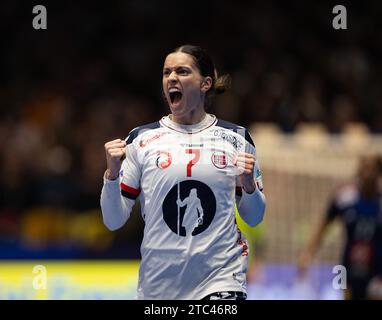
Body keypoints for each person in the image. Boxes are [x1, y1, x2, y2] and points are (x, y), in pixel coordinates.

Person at [100, 44, 266, 300]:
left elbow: (254, 217)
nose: (172, 78)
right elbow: (113, 221)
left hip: (221, 279)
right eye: (167, 73)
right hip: (159, 285)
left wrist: (249, 185)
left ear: (205, 83)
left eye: (182, 71)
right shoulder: (141, 139)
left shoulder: (237, 138)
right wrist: (111, 176)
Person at [298, 154, 382, 299]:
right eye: (364, 170)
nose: (367, 175)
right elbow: (323, 225)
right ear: (359, 173)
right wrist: (308, 253)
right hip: (348, 265)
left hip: (377, 267)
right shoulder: (345, 198)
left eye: (372, 170)